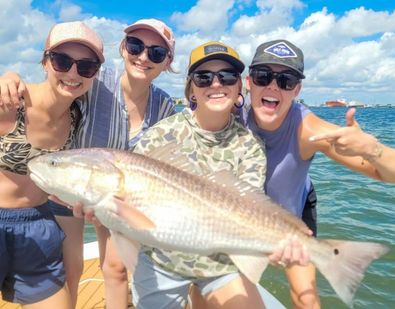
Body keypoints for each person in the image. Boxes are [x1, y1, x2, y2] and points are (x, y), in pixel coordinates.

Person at [0, 18, 177, 308]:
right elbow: (51, 87)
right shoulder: (95, 81)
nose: (144, 56)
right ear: (123, 47)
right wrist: (9, 76)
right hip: (69, 189)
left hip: (116, 195)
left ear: (167, 61)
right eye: (135, 45)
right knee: (72, 267)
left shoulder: (165, 106)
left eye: (156, 53)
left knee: (117, 268)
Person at [125, 40, 305, 309]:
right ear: (191, 90)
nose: (217, 84)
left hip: (220, 261)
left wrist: (277, 241)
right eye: (204, 77)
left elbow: (247, 210)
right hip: (162, 259)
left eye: (227, 76)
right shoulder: (159, 137)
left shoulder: (251, 145)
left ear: (239, 87)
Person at [241, 39, 395, 309]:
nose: (272, 86)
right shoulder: (230, 116)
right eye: (263, 76)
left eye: (286, 80)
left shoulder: (308, 128)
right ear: (248, 82)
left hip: (293, 216)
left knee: (307, 299)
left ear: (297, 89)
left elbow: (391, 173)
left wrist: (373, 150)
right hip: (240, 217)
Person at [0, 21, 103, 308]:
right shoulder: (11, 102)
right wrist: (6, 75)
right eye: (62, 60)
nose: (73, 73)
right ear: (45, 61)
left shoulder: (77, 116)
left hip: (39, 224)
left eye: (86, 67)